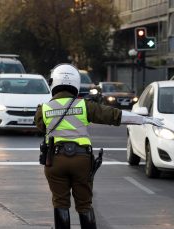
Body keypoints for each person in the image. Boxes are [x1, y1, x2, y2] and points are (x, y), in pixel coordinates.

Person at [34, 64, 163, 229]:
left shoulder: (44, 109)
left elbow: (40, 126)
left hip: (55, 160)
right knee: (84, 204)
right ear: (75, 83)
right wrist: (143, 119)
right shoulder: (84, 106)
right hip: (81, 161)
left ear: (53, 83)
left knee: (60, 202)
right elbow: (114, 115)